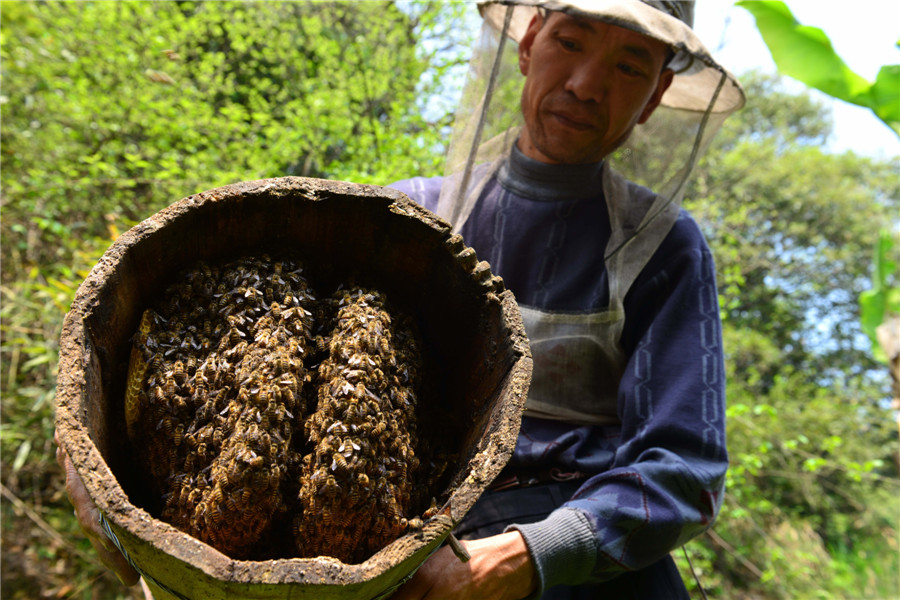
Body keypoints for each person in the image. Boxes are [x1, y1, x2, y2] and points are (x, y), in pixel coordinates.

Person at [56, 1, 744, 598]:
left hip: (584, 575)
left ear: (655, 95)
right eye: (570, 41)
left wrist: (523, 558)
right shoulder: (406, 216)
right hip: (397, 562)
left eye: (629, 66)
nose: (587, 84)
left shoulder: (664, 248)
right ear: (530, 41)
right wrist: (98, 482)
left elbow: (683, 471)